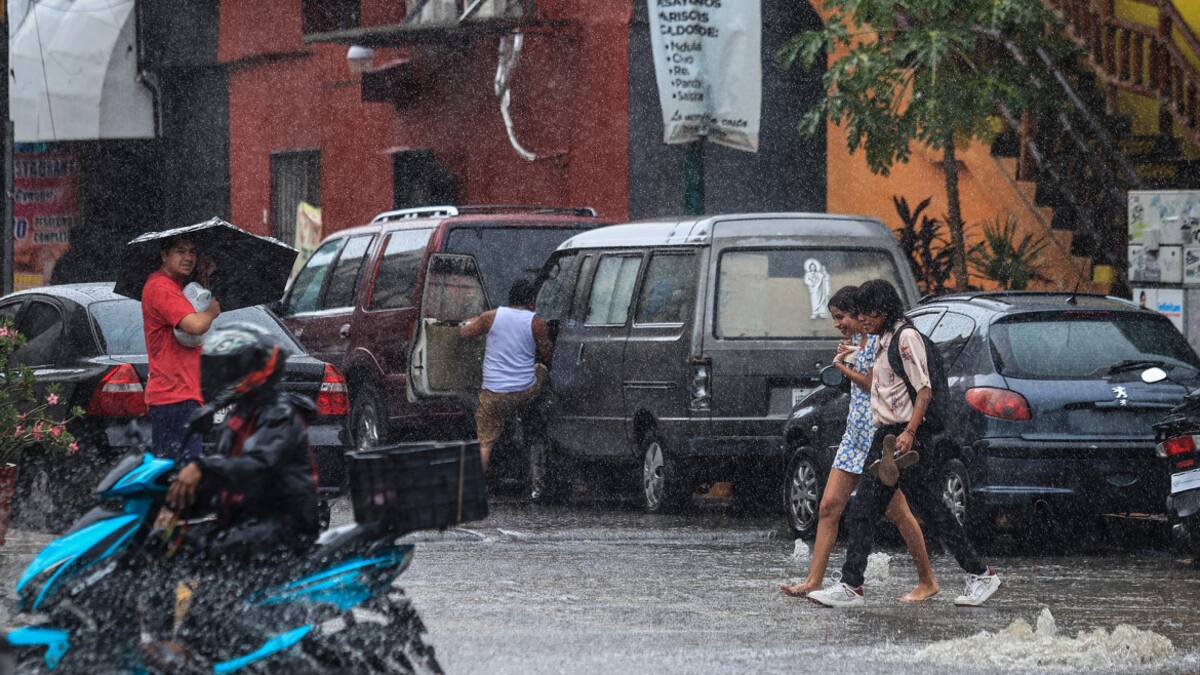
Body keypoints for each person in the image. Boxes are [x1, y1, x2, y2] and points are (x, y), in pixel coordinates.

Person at [808, 280, 1001, 608]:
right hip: (886, 437)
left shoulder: (905, 338)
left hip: (902, 438)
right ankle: (852, 584)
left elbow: (923, 390)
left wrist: (909, 433)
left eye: (867, 313)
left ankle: (978, 574)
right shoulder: (884, 338)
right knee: (883, 508)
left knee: (905, 509)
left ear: (882, 310)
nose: (863, 319)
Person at [780, 286, 938, 602]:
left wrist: (842, 369)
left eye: (842, 317)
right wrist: (846, 360)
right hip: (853, 438)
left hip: (878, 439)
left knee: (899, 514)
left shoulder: (880, 343)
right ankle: (814, 580)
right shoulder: (854, 343)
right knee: (828, 508)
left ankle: (926, 580)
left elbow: (873, 386)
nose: (839, 324)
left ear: (858, 314)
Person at [162, 322, 321, 557]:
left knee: (210, 554)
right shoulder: (238, 415)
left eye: (229, 367)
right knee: (172, 545)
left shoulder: (279, 414)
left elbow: (258, 465)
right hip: (243, 518)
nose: (222, 375)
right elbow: (225, 478)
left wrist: (203, 467)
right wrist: (176, 502)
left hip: (284, 524)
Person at [142, 236, 221, 462]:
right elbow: (194, 326)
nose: (188, 257)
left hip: (183, 394)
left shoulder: (177, 288)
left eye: (193, 252)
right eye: (181, 251)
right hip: (174, 397)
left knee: (178, 475)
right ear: (164, 255)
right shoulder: (161, 287)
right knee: (181, 476)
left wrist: (205, 281)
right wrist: (210, 313)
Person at [459, 279, 553, 469]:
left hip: (493, 395)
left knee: (484, 442)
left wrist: (467, 322)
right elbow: (547, 354)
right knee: (541, 370)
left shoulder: (490, 317)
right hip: (524, 391)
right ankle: (538, 412)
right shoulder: (537, 323)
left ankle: (475, 483)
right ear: (532, 300)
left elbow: (465, 333)